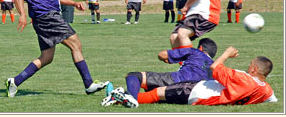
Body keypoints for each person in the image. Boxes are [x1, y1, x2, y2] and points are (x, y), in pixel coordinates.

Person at [5, 0, 108, 97]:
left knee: (47, 57)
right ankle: (89, 84)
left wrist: (74, 3)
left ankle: (15, 81)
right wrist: (22, 14)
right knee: (76, 44)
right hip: (47, 17)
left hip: (47, 18)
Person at [107, 47, 278, 108]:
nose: (248, 67)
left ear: (255, 69)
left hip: (197, 91)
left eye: (250, 65)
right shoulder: (266, 91)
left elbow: (215, 67)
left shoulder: (243, 77)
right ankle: (122, 98)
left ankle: (122, 98)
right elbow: (273, 100)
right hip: (197, 91)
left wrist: (227, 53)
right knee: (160, 97)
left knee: (157, 93)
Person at [101, 38, 218, 107]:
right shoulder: (216, 68)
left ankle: (130, 97)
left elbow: (162, 55)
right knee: (153, 94)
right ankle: (119, 98)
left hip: (177, 80)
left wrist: (168, 59)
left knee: (134, 76)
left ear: (201, 48)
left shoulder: (195, 52)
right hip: (190, 94)